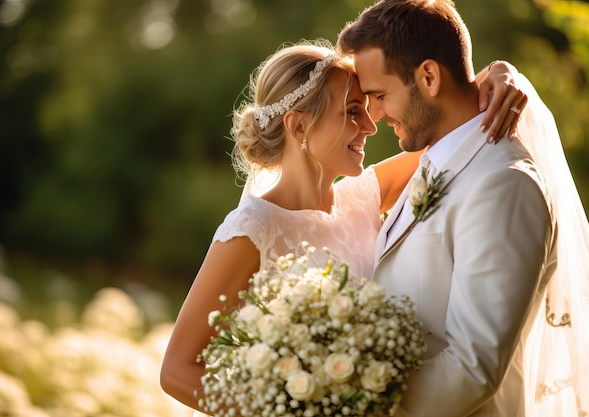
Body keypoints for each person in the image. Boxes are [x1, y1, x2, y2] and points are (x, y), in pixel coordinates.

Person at [159, 39, 527, 414]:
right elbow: (176, 370)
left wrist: (501, 74)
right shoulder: (252, 229)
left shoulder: (363, 196)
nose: (371, 125)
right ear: (299, 126)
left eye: (367, 108)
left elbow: (455, 131)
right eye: (353, 112)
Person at [337, 1, 589, 416]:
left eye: (380, 96)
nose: (375, 114)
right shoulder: (440, 161)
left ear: (429, 76)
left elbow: (473, 368)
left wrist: (355, 405)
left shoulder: (503, 183)